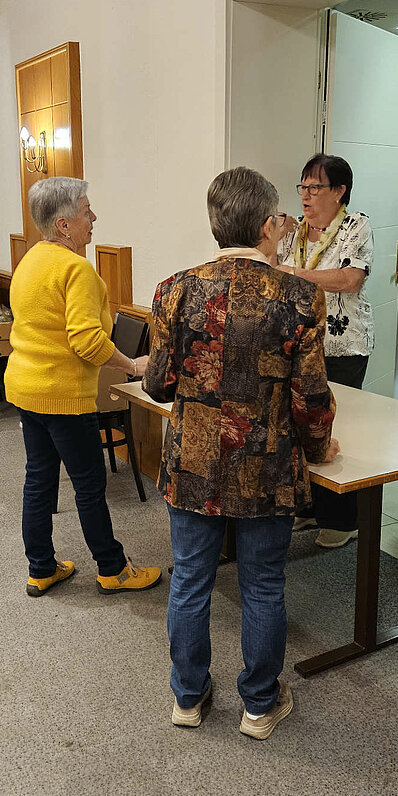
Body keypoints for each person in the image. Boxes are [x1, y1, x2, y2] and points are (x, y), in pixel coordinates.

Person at [144, 166, 338, 740]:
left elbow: (158, 384)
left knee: (189, 581)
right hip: (267, 465)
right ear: (266, 225)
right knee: (262, 585)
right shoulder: (299, 297)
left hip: (194, 464)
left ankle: (187, 698)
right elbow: (310, 397)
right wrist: (319, 448)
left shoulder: (174, 290)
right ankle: (259, 705)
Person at [4, 177, 162, 598]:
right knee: (89, 486)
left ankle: (41, 568)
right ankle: (113, 569)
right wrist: (132, 365)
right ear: (64, 225)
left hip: (26, 390)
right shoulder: (76, 269)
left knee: (39, 480)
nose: (94, 218)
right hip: (63, 397)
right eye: (86, 211)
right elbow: (87, 341)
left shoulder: (30, 261)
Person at [275, 154, 372, 549]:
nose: (306, 196)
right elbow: (269, 271)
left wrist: (296, 274)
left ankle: (344, 519)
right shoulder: (295, 231)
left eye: (315, 188)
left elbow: (350, 279)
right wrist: (275, 235)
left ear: (339, 191)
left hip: (342, 345)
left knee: (334, 428)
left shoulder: (355, 225)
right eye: (303, 187)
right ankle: (311, 507)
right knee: (300, 424)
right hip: (300, 345)